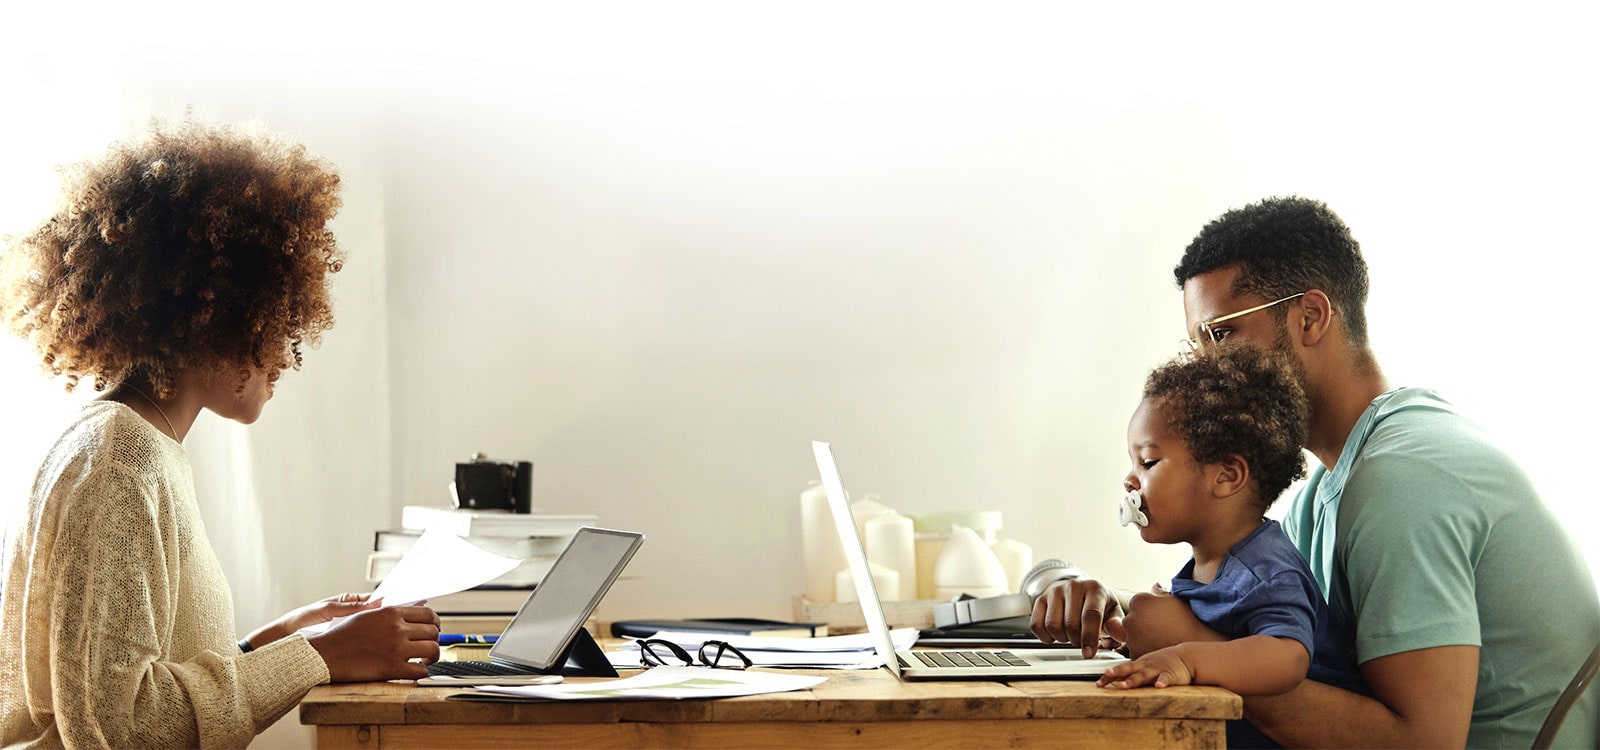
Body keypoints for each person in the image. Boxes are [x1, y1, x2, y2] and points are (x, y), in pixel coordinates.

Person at [1032, 196, 1600, 748]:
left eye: (1221, 334)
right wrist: (1119, 612)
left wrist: (1189, 647)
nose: (1205, 365)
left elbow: (1421, 743)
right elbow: (1271, 633)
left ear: (1310, 316)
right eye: (1196, 343)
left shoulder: (1405, 479)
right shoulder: (1322, 492)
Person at [0, 121, 441, 749]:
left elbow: (126, 682)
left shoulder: (137, 444)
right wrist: (316, 655)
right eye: (278, 317)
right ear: (220, 312)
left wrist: (276, 640)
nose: (287, 350)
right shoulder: (118, 464)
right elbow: (122, 730)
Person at [1097, 346, 1363, 747]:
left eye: (1148, 463)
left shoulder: (1264, 568)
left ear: (1226, 475)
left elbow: (1288, 657)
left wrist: (1185, 656)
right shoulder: (1213, 564)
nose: (1130, 482)